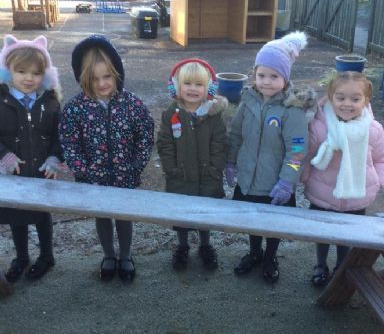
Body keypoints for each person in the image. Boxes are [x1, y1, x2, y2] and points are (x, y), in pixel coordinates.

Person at [59, 35, 154, 283]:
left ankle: (125, 256)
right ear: (83, 78)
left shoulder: (131, 104)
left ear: (116, 74)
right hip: (94, 180)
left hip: (125, 177)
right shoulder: (75, 108)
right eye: (94, 78)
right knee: (102, 217)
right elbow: (70, 144)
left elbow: (145, 135)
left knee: (123, 218)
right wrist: (83, 170)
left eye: (107, 77)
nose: (102, 83)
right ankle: (109, 255)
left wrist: (136, 166)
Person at [226, 32, 315, 283]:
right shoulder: (248, 100)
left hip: (274, 182)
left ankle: (270, 256)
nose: (266, 81)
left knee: (273, 223)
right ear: (254, 74)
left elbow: (297, 150)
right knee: (253, 220)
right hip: (249, 178)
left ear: (285, 78)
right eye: (261, 75)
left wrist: (287, 181)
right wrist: (231, 162)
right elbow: (235, 134)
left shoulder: (291, 108)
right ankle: (255, 253)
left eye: (274, 76)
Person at [301, 71, 384, 287]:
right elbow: (308, 153)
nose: (347, 104)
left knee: (347, 237)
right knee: (322, 234)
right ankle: (320, 265)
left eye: (355, 99)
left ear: (365, 100)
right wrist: (303, 175)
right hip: (323, 193)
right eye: (340, 98)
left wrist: (378, 180)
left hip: (356, 197)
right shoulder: (319, 125)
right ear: (331, 98)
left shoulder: (372, 129)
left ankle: (342, 268)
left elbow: (382, 157)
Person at [0, 35, 63, 282]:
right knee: (17, 217)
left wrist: (54, 158)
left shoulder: (50, 102)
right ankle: (22, 257)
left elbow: (60, 136)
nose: (29, 78)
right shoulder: (1, 101)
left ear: (45, 75)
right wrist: (4, 156)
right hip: (12, 174)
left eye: (36, 73)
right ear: (8, 71)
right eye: (22, 71)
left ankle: (47, 256)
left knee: (41, 216)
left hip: (41, 173)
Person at [157, 58, 227, 271]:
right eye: (188, 84)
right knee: (182, 215)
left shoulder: (213, 115)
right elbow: (165, 143)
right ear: (177, 86)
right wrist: (171, 169)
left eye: (199, 84)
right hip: (181, 177)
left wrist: (216, 168)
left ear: (208, 88)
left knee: (205, 214)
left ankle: (206, 245)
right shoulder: (171, 114)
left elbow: (220, 143)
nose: (193, 89)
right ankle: (183, 245)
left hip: (208, 176)